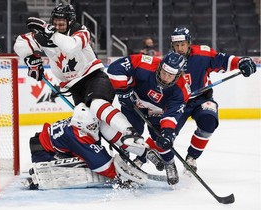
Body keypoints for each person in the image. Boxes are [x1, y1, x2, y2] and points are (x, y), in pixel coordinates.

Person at [13, 3, 164, 168]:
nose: (58, 25)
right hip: (74, 87)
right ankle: (144, 152)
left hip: (95, 78)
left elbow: (71, 46)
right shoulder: (46, 36)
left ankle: (131, 133)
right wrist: (31, 59)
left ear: (71, 21)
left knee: (97, 104)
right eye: (55, 21)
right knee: (93, 127)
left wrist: (50, 32)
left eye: (62, 22)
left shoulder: (81, 31)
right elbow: (19, 44)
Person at [169, 27, 257, 173]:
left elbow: (223, 60)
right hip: (178, 102)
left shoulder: (203, 54)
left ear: (189, 43)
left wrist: (241, 61)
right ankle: (141, 160)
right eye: (176, 45)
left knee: (209, 121)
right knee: (165, 132)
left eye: (183, 44)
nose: (180, 48)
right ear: (172, 45)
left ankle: (191, 157)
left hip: (202, 99)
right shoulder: (168, 62)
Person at [107, 52, 191, 185]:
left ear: (178, 75)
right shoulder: (144, 63)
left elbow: (172, 114)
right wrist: (123, 91)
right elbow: (114, 68)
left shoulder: (182, 90)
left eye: (170, 75)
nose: (165, 77)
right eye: (164, 72)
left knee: (160, 139)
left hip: (157, 110)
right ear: (160, 66)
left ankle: (169, 162)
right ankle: (124, 159)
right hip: (134, 102)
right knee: (130, 133)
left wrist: (168, 132)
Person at [26, 103, 149, 190]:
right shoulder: (78, 135)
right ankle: (40, 175)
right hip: (43, 154)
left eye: (95, 124)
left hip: (45, 144)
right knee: (85, 165)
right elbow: (102, 165)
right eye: (91, 126)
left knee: (87, 158)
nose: (94, 128)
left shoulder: (78, 125)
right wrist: (121, 176)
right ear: (81, 124)